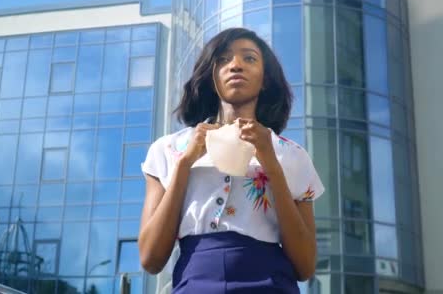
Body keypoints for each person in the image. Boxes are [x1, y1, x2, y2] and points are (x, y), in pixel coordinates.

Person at [138, 28, 324, 293]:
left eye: (249, 58)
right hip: (194, 284)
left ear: (266, 79)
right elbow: (150, 259)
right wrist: (184, 164)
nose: (235, 65)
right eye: (223, 59)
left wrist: (272, 164)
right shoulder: (166, 150)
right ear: (209, 75)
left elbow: (305, 266)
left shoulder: (292, 155)